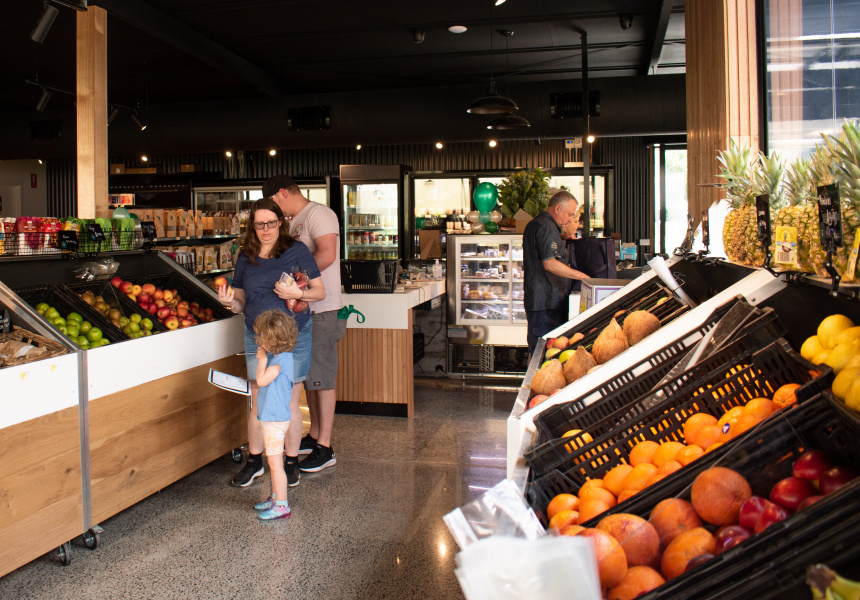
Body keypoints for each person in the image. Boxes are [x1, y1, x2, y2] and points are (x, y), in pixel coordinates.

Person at [219, 198, 325, 488]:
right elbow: (241, 303)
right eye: (259, 224)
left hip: (295, 335)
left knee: (290, 401)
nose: (266, 229)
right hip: (258, 338)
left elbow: (320, 292)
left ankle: (290, 462)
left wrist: (297, 293)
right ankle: (255, 461)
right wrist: (231, 303)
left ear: (281, 222)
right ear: (251, 226)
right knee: (258, 399)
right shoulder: (245, 256)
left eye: (271, 223)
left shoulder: (297, 250)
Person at [263, 175, 344, 473]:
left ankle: (325, 446)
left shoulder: (318, 214)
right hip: (302, 309)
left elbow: (327, 254)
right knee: (309, 376)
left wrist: (297, 278)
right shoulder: (295, 220)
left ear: (282, 192)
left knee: (323, 378)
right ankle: (314, 435)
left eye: (275, 203)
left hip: (321, 307)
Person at [522, 190, 590, 358]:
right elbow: (550, 264)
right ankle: (536, 383)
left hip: (542, 301)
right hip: (546, 303)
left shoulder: (538, 223)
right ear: (558, 208)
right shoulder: (546, 226)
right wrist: (584, 277)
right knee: (543, 353)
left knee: (539, 351)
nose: (569, 219)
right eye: (569, 214)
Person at [250, 310, 298, 520]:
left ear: (272, 340)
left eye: (262, 337)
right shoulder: (284, 357)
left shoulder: (277, 363)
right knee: (273, 462)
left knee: (276, 465)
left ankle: (281, 505)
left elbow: (261, 381)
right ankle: (275, 497)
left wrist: (261, 360)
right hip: (274, 418)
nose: (259, 341)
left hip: (275, 421)